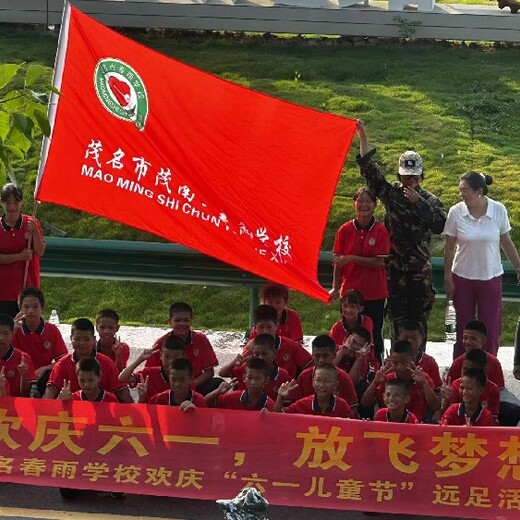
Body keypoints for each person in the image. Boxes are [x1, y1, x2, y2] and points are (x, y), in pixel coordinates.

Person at [355, 121, 446, 343]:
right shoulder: (392, 194)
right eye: (406, 177)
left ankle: (419, 363)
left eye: (414, 177)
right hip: (393, 269)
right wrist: (363, 138)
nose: (410, 181)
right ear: (399, 175)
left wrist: (419, 204)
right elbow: (370, 172)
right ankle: (396, 364)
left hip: (418, 272)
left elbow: (438, 225)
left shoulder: (431, 200)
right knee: (396, 318)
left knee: (418, 320)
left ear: (421, 177)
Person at [444, 171, 520, 358]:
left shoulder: (498, 210)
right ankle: (461, 370)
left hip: (490, 277)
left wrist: (519, 267)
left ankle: (489, 370)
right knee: (463, 327)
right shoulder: (456, 212)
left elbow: (506, 242)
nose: (461, 194)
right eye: (460, 190)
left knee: (491, 328)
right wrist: (447, 277)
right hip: (462, 277)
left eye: (465, 190)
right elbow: (449, 247)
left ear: (479, 191)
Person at [330, 187, 390, 363]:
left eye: (368, 201)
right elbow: (338, 263)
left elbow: (378, 262)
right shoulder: (345, 230)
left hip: (375, 292)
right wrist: (335, 288)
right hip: (349, 291)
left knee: (374, 333)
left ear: (375, 205)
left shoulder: (380, 231)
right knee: (347, 331)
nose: (364, 205)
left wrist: (351, 258)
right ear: (354, 203)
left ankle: (374, 368)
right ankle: (345, 367)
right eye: (360, 201)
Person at [43, 318, 132, 402]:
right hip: (72, 413)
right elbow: (51, 389)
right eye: (77, 339)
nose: (82, 343)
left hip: (102, 412)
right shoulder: (62, 363)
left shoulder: (107, 363)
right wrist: (46, 407)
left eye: (86, 339)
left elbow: (121, 390)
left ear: (94, 340)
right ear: (71, 339)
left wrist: (136, 411)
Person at [144, 302, 222, 395]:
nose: (182, 323)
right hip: (168, 387)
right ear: (170, 322)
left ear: (191, 321)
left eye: (186, 320)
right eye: (177, 320)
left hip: (193, 386)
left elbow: (209, 372)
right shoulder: (161, 343)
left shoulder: (201, 339)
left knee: (218, 383)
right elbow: (149, 373)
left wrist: (189, 385)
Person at [361, 339, 440, 422]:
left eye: (403, 362)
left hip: (416, 424)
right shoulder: (387, 378)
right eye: (395, 363)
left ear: (413, 359)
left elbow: (436, 406)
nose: (399, 367)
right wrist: (375, 382)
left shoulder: (423, 378)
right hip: (388, 424)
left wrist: (424, 384)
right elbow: (364, 402)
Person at [0, 183, 45, 318]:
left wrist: (36, 233)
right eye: (8, 202)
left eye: (16, 202)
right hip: (3, 291)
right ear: (2, 203)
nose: (12, 207)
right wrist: (20, 256)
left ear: (22, 202)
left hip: (28, 290)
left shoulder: (31, 223)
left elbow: (40, 251)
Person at [12, 287, 68, 395]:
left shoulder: (52, 330)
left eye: (35, 307)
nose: (30, 311)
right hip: (18, 378)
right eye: (26, 307)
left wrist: (44, 368)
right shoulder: (14, 331)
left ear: (42, 308)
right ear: (20, 309)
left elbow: (63, 361)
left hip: (43, 379)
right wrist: (11, 333)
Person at [292, 335, 358, 416]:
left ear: (334, 355)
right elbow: (294, 409)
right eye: (317, 356)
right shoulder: (304, 376)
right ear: (312, 355)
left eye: (325, 356)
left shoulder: (344, 378)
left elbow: (352, 409)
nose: (321, 360)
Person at [243, 305, 312, 380]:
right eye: (261, 327)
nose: (265, 331)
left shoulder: (292, 346)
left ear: (276, 326)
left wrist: (300, 384)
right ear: (255, 328)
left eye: (269, 327)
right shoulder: (249, 349)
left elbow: (311, 366)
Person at [219, 333, 290, 401]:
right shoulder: (246, 369)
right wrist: (233, 363)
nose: (260, 357)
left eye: (264, 354)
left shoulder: (282, 375)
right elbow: (222, 373)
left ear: (275, 353)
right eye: (256, 354)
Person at [119, 335, 186, 403]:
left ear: (183, 357)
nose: (171, 361)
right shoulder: (150, 373)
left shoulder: (186, 378)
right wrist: (140, 359)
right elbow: (122, 378)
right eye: (167, 356)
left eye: (176, 357)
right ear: (160, 355)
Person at [275, 364, 354, 418]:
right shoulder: (304, 403)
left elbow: (353, 424)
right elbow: (278, 416)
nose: (322, 385)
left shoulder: (342, 405)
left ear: (336, 385)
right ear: (313, 382)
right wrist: (280, 397)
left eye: (327, 381)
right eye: (318, 380)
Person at [447, 320, 504, 390]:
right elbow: (450, 389)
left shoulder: (494, 363)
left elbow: (499, 390)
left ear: (483, 340)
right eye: (465, 338)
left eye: (473, 339)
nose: (468, 342)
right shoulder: (457, 363)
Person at [206, 358, 275, 411]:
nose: (253, 382)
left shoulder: (270, 405)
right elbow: (206, 403)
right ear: (244, 378)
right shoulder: (233, 397)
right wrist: (217, 392)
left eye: (258, 378)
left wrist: (268, 418)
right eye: (249, 377)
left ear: (266, 380)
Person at [397, 321, 442, 390]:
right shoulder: (393, 361)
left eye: (414, 338)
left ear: (422, 338)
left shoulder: (430, 362)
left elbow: (437, 389)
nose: (409, 341)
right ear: (399, 338)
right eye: (405, 338)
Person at [0, 313, 36, 396]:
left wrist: (24, 376)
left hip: (16, 405)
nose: (1, 338)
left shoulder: (23, 358)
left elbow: (26, 394)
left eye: (5, 333)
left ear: (12, 334)